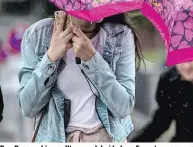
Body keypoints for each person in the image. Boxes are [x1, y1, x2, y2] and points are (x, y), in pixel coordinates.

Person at [18, 11, 143, 142]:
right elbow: (28, 108)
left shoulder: (120, 35)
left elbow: (124, 108)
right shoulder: (39, 34)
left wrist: (92, 60)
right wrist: (51, 58)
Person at [132, 59, 193, 142]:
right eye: (181, 59)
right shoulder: (170, 82)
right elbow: (160, 123)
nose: (186, 66)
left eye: (191, 59)